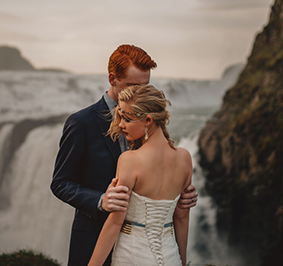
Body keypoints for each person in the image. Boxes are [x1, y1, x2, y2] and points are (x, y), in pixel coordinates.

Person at [51, 44, 198, 266]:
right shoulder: (81, 123)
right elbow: (60, 183)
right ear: (113, 79)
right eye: (133, 86)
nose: (140, 93)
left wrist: (181, 196)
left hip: (143, 249)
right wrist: (101, 200)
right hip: (94, 238)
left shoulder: (148, 121)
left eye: (145, 86)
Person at [88, 84, 192, 266]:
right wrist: (182, 261)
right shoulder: (184, 158)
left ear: (148, 121)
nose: (120, 124)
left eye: (126, 119)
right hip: (171, 257)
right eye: (120, 116)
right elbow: (182, 218)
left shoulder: (130, 160)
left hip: (132, 257)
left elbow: (114, 223)